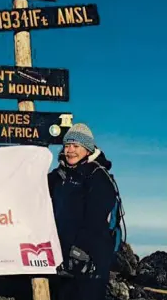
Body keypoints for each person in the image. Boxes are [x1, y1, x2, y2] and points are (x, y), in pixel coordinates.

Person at [48, 123, 119, 300]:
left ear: (87, 149)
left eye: (76, 146)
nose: (70, 150)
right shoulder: (58, 176)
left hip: (91, 258)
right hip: (63, 257)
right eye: (67, 145)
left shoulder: (98, 175)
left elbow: (96, 218)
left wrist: (80, 251)